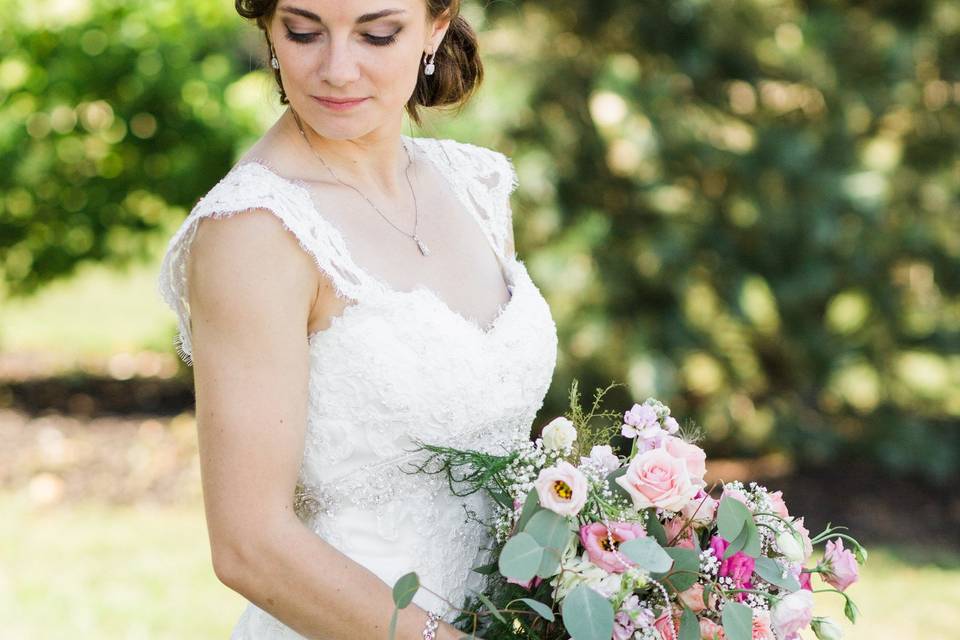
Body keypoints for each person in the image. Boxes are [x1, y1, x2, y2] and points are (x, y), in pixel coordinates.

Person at [156, 0, 557, 638]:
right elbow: (249, 545)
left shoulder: (472, 185)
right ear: (268, 29)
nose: (337, 70)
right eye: (304, 31)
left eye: (377, 34)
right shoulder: (255, 231)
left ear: (436, 25)